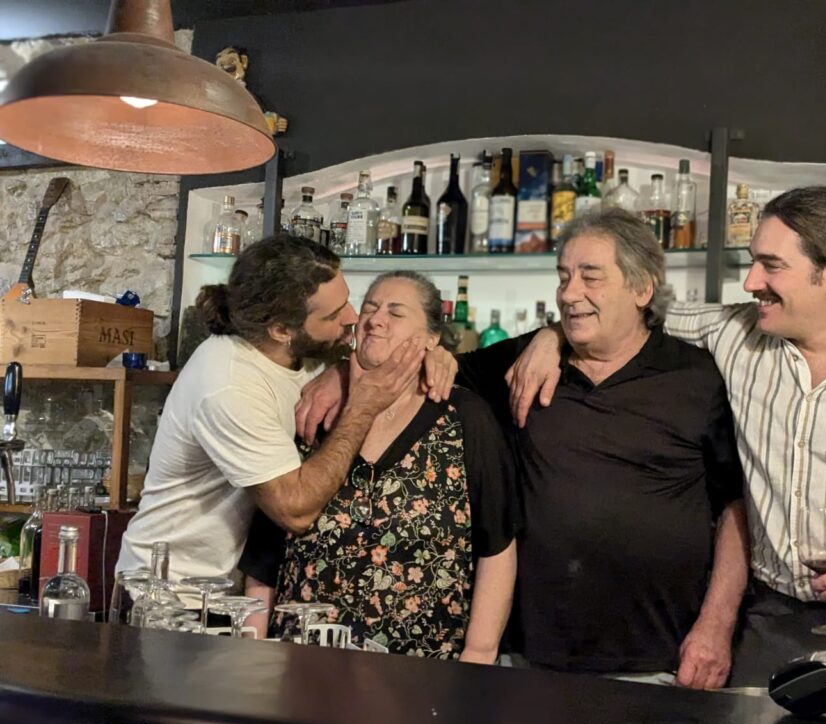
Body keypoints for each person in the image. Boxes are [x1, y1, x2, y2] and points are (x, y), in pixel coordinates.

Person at [508, 187, 826, 713]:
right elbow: (624, 309)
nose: (751, 282)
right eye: (753, 262)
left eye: (771, 266)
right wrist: (551, 337)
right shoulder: (738, 336)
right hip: (772, 630)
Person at [444, 209, 747, 687]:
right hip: (527, 660)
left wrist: (717, 626)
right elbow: (436, 371)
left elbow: (736, 508)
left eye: (591, 276)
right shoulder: (524, 361)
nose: (569, 293)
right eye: (563, 276)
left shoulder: (696, 376)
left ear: (642, 289)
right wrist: (339, 378)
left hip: (659, 663)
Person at [116, 234, 448, 583]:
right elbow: (295, 510)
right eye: (335, 314)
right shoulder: (228, 384)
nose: (353, 318)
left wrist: (429, 355)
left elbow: (373, 357)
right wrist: (361, 407)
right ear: (281, 330)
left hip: (232, 590)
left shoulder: (306, 350)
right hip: (171, 589)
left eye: (348, 302)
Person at [239, 271, 519, 663]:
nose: (375, 320)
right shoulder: (318, 411)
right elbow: (265, 554)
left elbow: (497, 547)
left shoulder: (464, 418)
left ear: (432, 338)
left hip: (422, 671)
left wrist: (479, 653)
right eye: (369, 308)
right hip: (301, 664)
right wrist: (250, 655)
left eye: (396, 312)